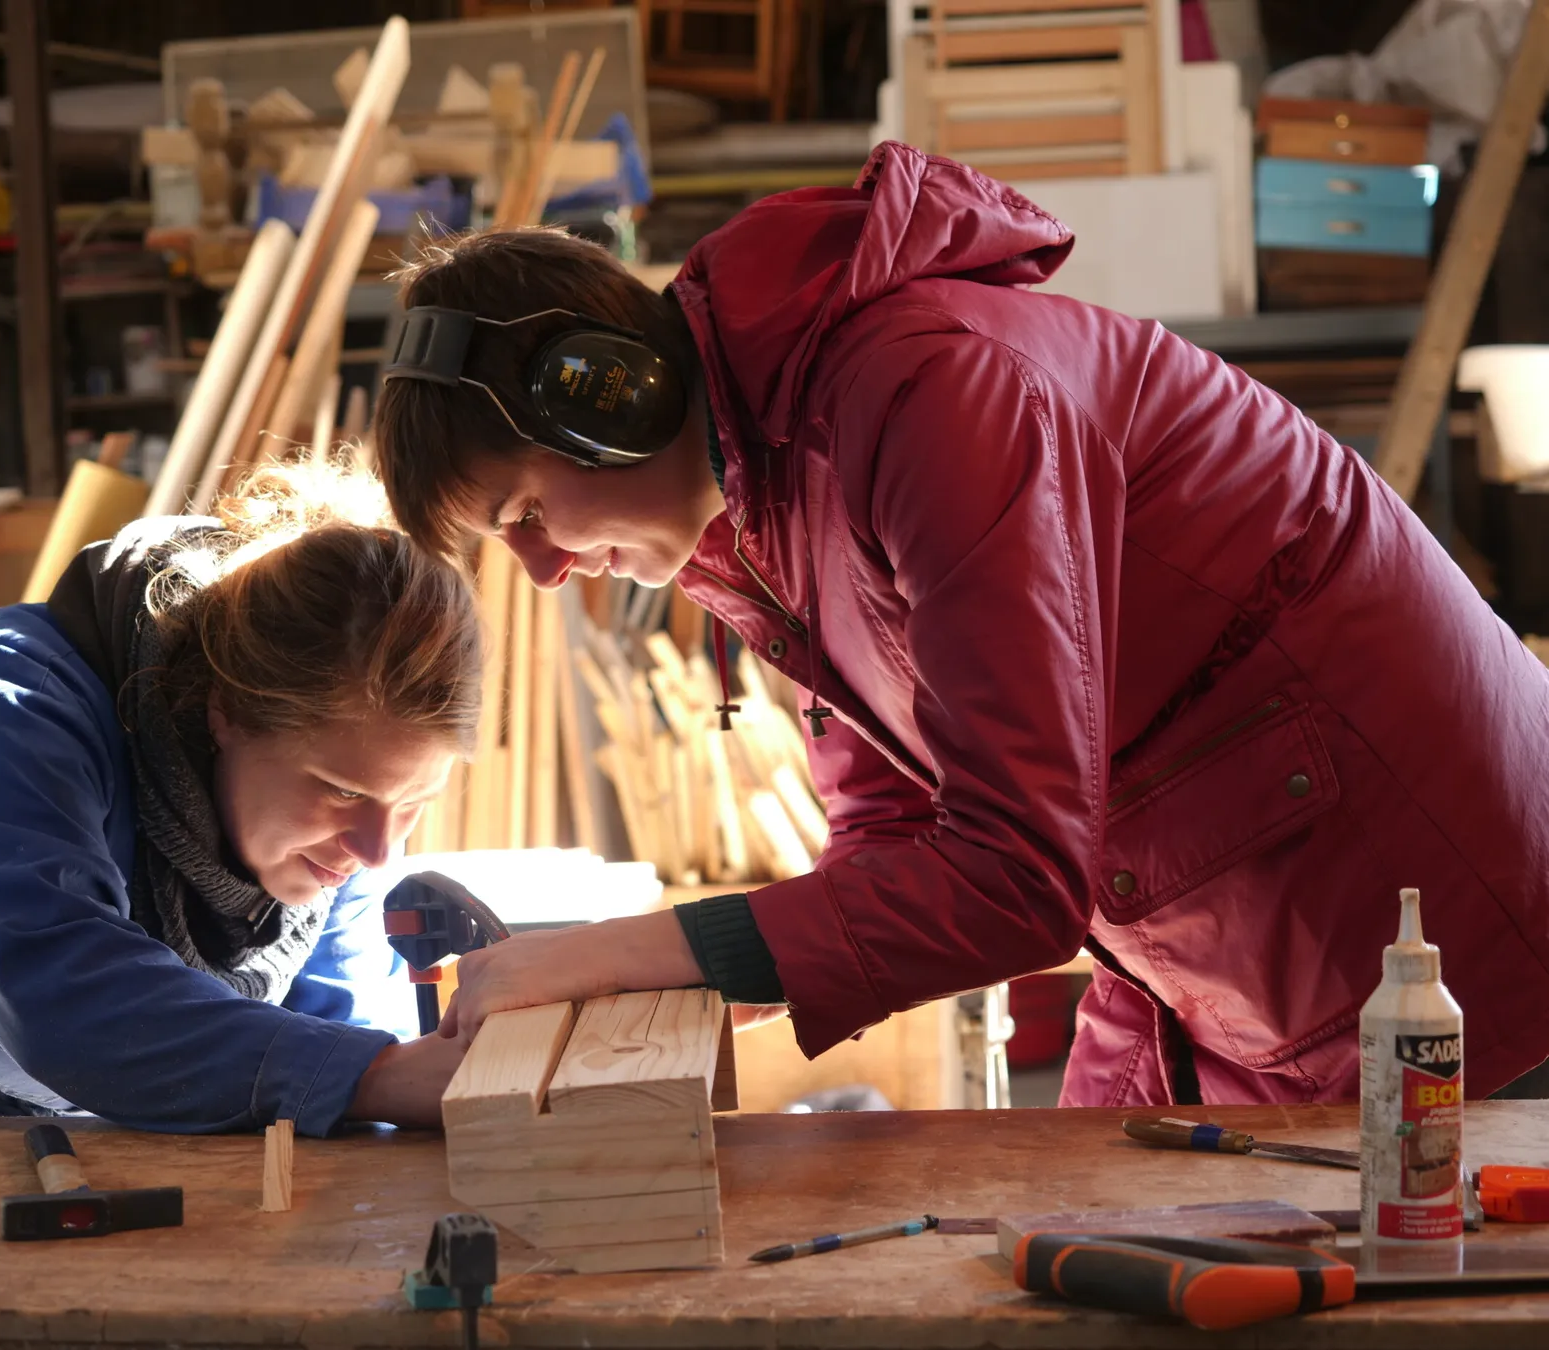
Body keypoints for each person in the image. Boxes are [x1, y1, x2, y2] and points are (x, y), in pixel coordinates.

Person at [371, 141, 1549, 1107]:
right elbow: (899, 830)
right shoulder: (766, 506)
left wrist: (613, 952)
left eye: (525, 511)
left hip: (1463, 961)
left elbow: (1013, 873)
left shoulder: (929, 396)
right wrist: (654, 975)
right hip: (1221, 956)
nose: (539, 572)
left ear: (612, 397)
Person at [0, 455, 478, 1130]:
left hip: (29, 1104)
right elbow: (71, 1000)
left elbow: (336, 1023)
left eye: (413, 803)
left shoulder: (327, 832)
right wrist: (378, 1078)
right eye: (344, 791)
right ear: (223, 709)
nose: (379, 849)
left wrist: (381, 1080)